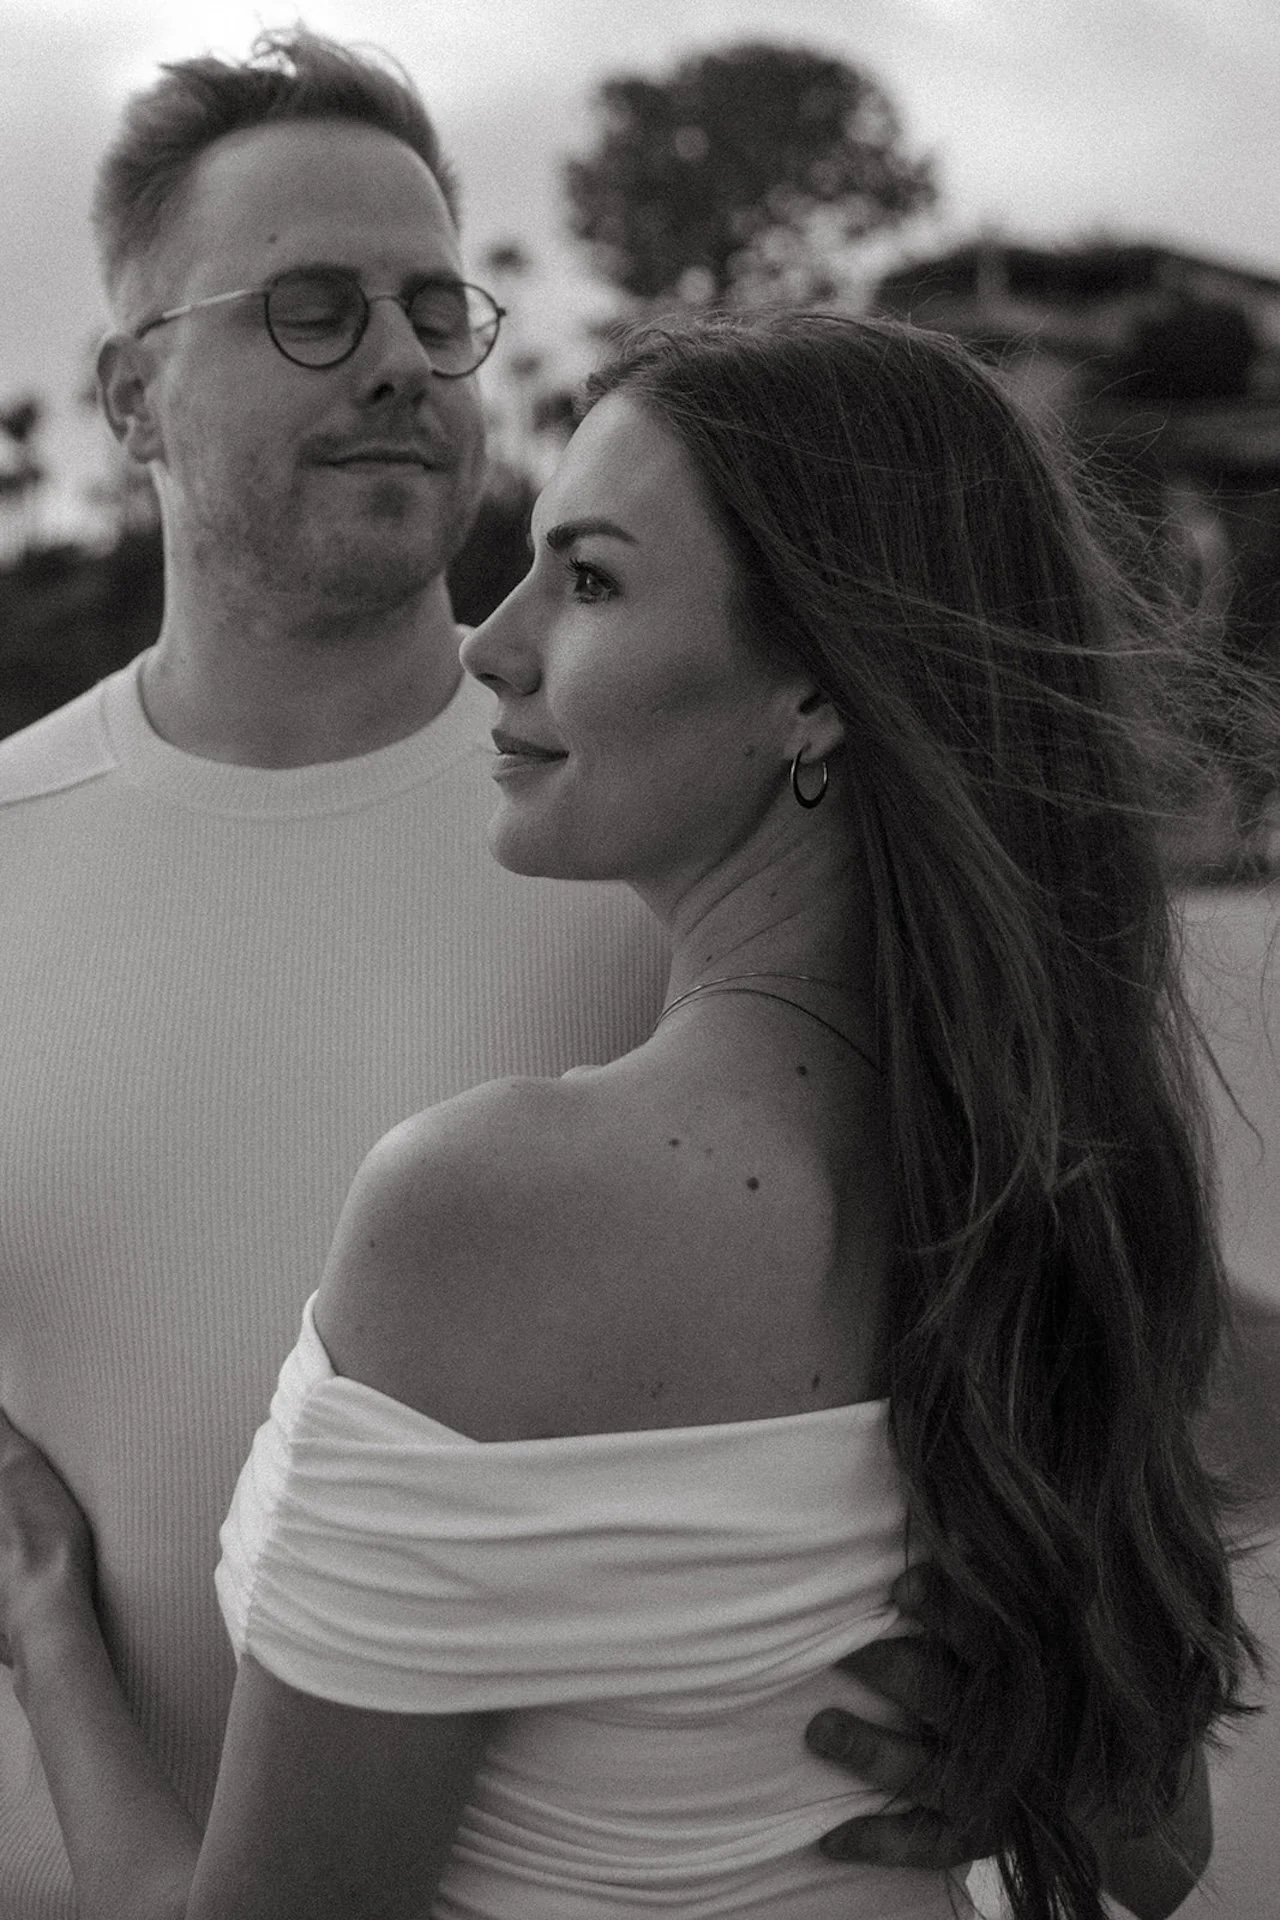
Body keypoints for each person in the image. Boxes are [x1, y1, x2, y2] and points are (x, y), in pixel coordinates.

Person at [0, 307, 1255, 1917]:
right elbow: (1157, 1856)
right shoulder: (1056, 1173)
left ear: (818, 690)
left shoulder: (496, 1205)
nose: (489, 643)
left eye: (588, 579)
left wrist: (49, 1626)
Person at [0, 26, 979, 1918]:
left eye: (436, 308)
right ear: (128, 395)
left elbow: (1067, 1316)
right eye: (305, 306)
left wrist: (1036, 1672)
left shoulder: (667, 824)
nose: (396, 357)